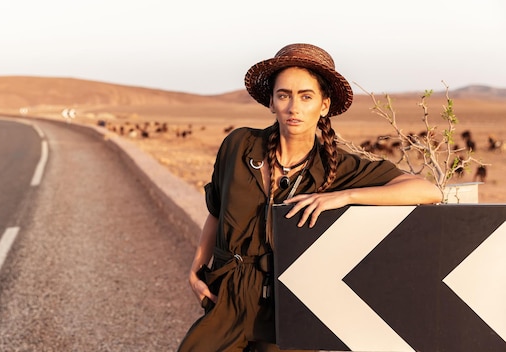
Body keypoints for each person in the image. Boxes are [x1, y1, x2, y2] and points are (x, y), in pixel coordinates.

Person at [177, 43, 442, 352]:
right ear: (272, 103)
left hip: (290, 307)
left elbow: (427, 191)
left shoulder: (338, 166)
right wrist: (196, 269)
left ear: (324, 105)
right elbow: (216, 211)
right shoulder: (238, 145)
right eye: (284, 95)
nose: (294, 107)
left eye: (306, 96)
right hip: (228, 299)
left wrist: (344, 197)